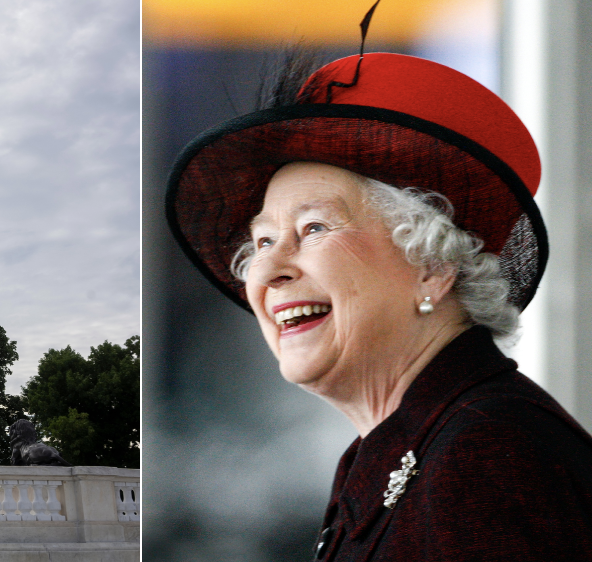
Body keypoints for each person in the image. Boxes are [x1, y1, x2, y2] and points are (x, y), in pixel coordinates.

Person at [165, 48, 592, 561]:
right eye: (261, 242)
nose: (269, 270)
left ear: (431, 265)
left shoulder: (483, 458)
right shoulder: (410, 449)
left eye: (314, 228)